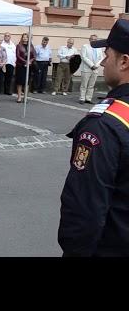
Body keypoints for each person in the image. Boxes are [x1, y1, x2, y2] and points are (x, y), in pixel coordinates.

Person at [58, 19, 129, 256]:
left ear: (124, 62)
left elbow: (84, 208)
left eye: (107, 54)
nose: (103, 61)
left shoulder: (104, 124)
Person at [79, 34, 104, 104]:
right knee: (84, 84)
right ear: (89, 39)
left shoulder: (99, 48)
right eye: (92, 39)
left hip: (95, 69)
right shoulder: (85, 47)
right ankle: (82, 98)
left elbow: (101, 58)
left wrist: (96, 65)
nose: (94, 40)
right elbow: (83, 57)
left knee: (91, 85)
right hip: (86, 68)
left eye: (95, 39)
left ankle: (88, 98)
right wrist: (91, 65)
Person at [15, 33, 36, 103]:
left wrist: (30, 61)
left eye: (26, 37)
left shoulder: (31, 46)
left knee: (27, 82)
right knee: (20, 82)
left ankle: (25, 97)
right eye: (23, 37)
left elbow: (34, 56)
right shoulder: (18, 46)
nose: (25, 38)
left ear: (28, 38)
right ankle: (19, 97)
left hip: (28, 66)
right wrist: (25, 61)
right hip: (20, 66)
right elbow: (18, 56)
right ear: (22, 38)